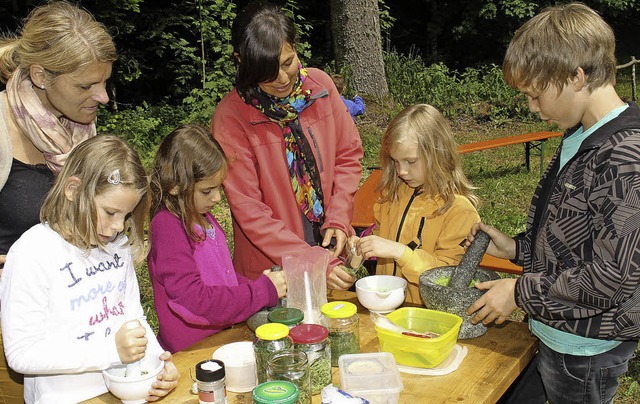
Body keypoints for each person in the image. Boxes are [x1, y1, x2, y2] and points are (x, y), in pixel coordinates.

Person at [464, 4, 640, 403]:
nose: (531, 107)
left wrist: (519, 294)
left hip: (587, 350)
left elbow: (613, 276)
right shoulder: (580, 136)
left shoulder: (626, 157)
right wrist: (515, 248)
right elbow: (572, 240)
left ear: (576, 76)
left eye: (535, 94)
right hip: (557, 330)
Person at [0, 135, 180, 403]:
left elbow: (133, 316)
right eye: (110, 212)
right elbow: (21, 353)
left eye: (126, 215)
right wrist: (110, 350)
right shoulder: (32, 252)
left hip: (122, 392)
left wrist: (157, 362)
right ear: (73, 190)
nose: (119, 226)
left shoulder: (116, 246)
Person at [0, 1, 116, 400]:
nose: (101, 97)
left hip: (82, 321)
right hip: (13, 335)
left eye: (103, 82)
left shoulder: (79, 132)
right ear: (41, 76)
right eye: (86, 86)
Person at [211, 2, 364, 291]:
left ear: (295, 48)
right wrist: (312, 260)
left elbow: (347, 156)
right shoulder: (230, 118)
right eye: (266, 71)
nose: (282, 79)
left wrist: (339, 217)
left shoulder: (320, 88)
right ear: (241, 60)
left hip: (332, 246)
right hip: (273, 271)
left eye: (287, 62)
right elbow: (250, 210)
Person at [147, 124, 287, 353]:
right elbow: (194, 298)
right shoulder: (167, 227)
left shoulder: (202, 216)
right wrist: (260, 292)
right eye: (207, 190)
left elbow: (222, 278)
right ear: (174, 186)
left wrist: (252, 285)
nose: (217, 197)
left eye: (219, 187)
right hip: (190, 353)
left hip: (219, 341)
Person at [349, 104, 479, 303]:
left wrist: (400, 253)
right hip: (389, 308)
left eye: (411, 161)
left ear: (437, 155)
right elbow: (382, 236)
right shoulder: (393, 196)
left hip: (428, 316)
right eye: (396, 161)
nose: (401, 171)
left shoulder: (459, 211)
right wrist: (362, 246)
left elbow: (449, 279)